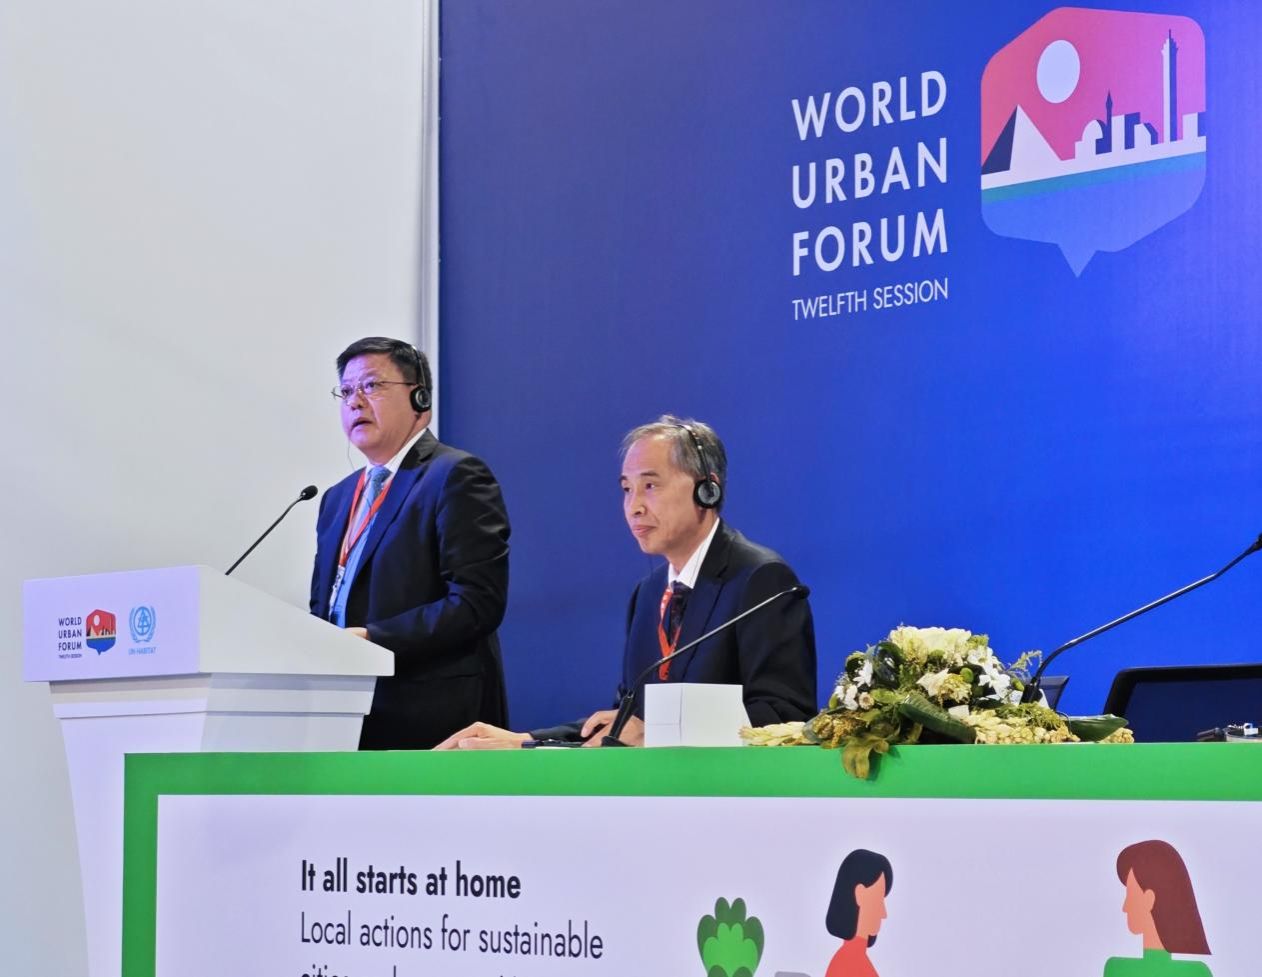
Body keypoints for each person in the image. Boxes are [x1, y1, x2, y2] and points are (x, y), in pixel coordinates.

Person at [436, 414, 816, 749]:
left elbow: (784, 717)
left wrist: (658, 733)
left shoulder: (761, 580)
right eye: (626, 489)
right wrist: (525, 740)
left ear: (707, 489)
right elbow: (625, 725)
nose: (634, 506)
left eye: (650, 486)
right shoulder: (649, 594)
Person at [309, 336, 511, 750]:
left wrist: (373, 639)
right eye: (346, 391)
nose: (355, 401)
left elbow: (476, 603)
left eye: (371, 385)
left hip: (432, 718)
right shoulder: (336, 498)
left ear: (420, 397)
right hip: (344, 714)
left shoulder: (455, 475)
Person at [1103, 840, 1212, 977]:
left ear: (1149, 899)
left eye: (1130, 894)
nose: (1125, 907)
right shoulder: (1198, 972)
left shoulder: (1116, 970)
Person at [824, 849, 893, 977]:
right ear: (860, 894)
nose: (884, 913)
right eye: (878, 899)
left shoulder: (856, 959)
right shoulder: (848, 962)